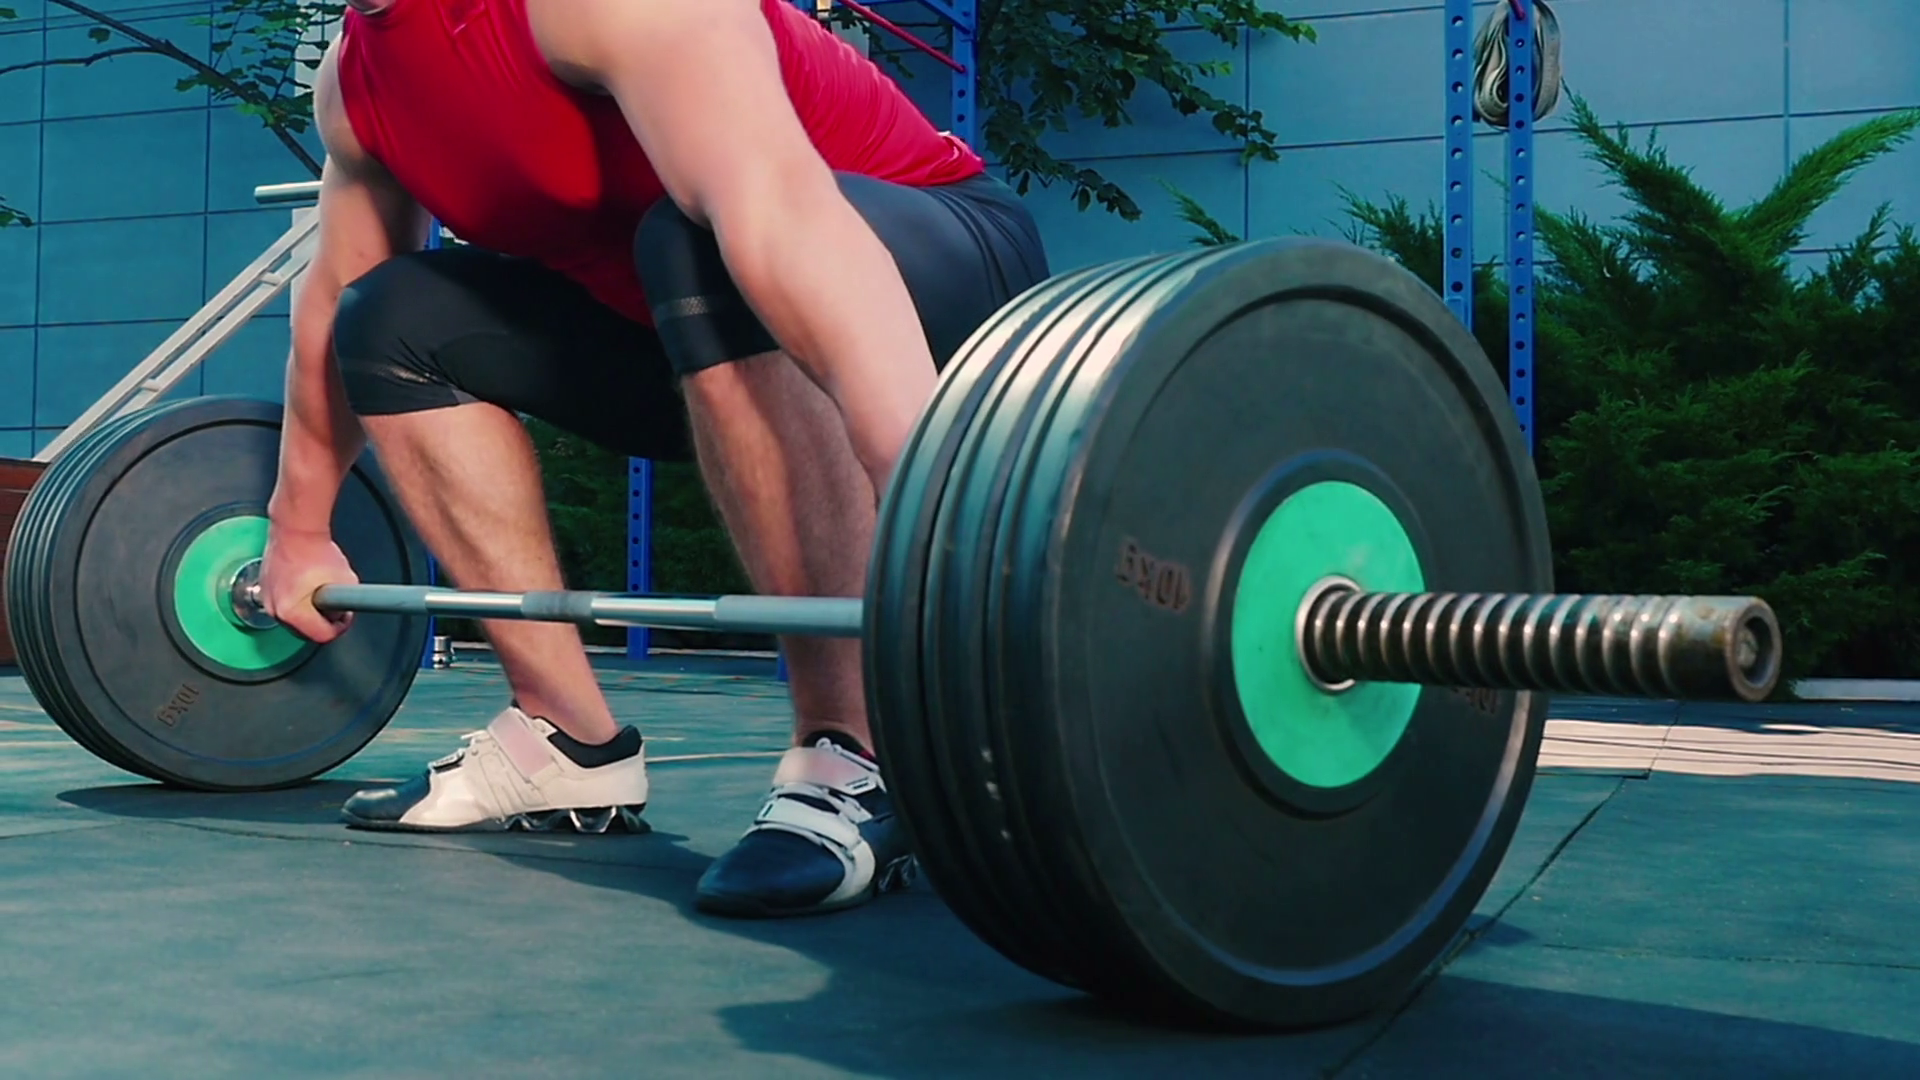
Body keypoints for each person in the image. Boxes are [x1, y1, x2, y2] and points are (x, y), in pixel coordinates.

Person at [255, 0, 1049, 918]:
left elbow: (779, 213)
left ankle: (857, 755)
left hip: (927, 278)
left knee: (694, 237)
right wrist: (296, 527)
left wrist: (926, 486)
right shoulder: (357, 83)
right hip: (683, 321)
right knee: (386, 315)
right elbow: (333, 296)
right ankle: (564, 742)